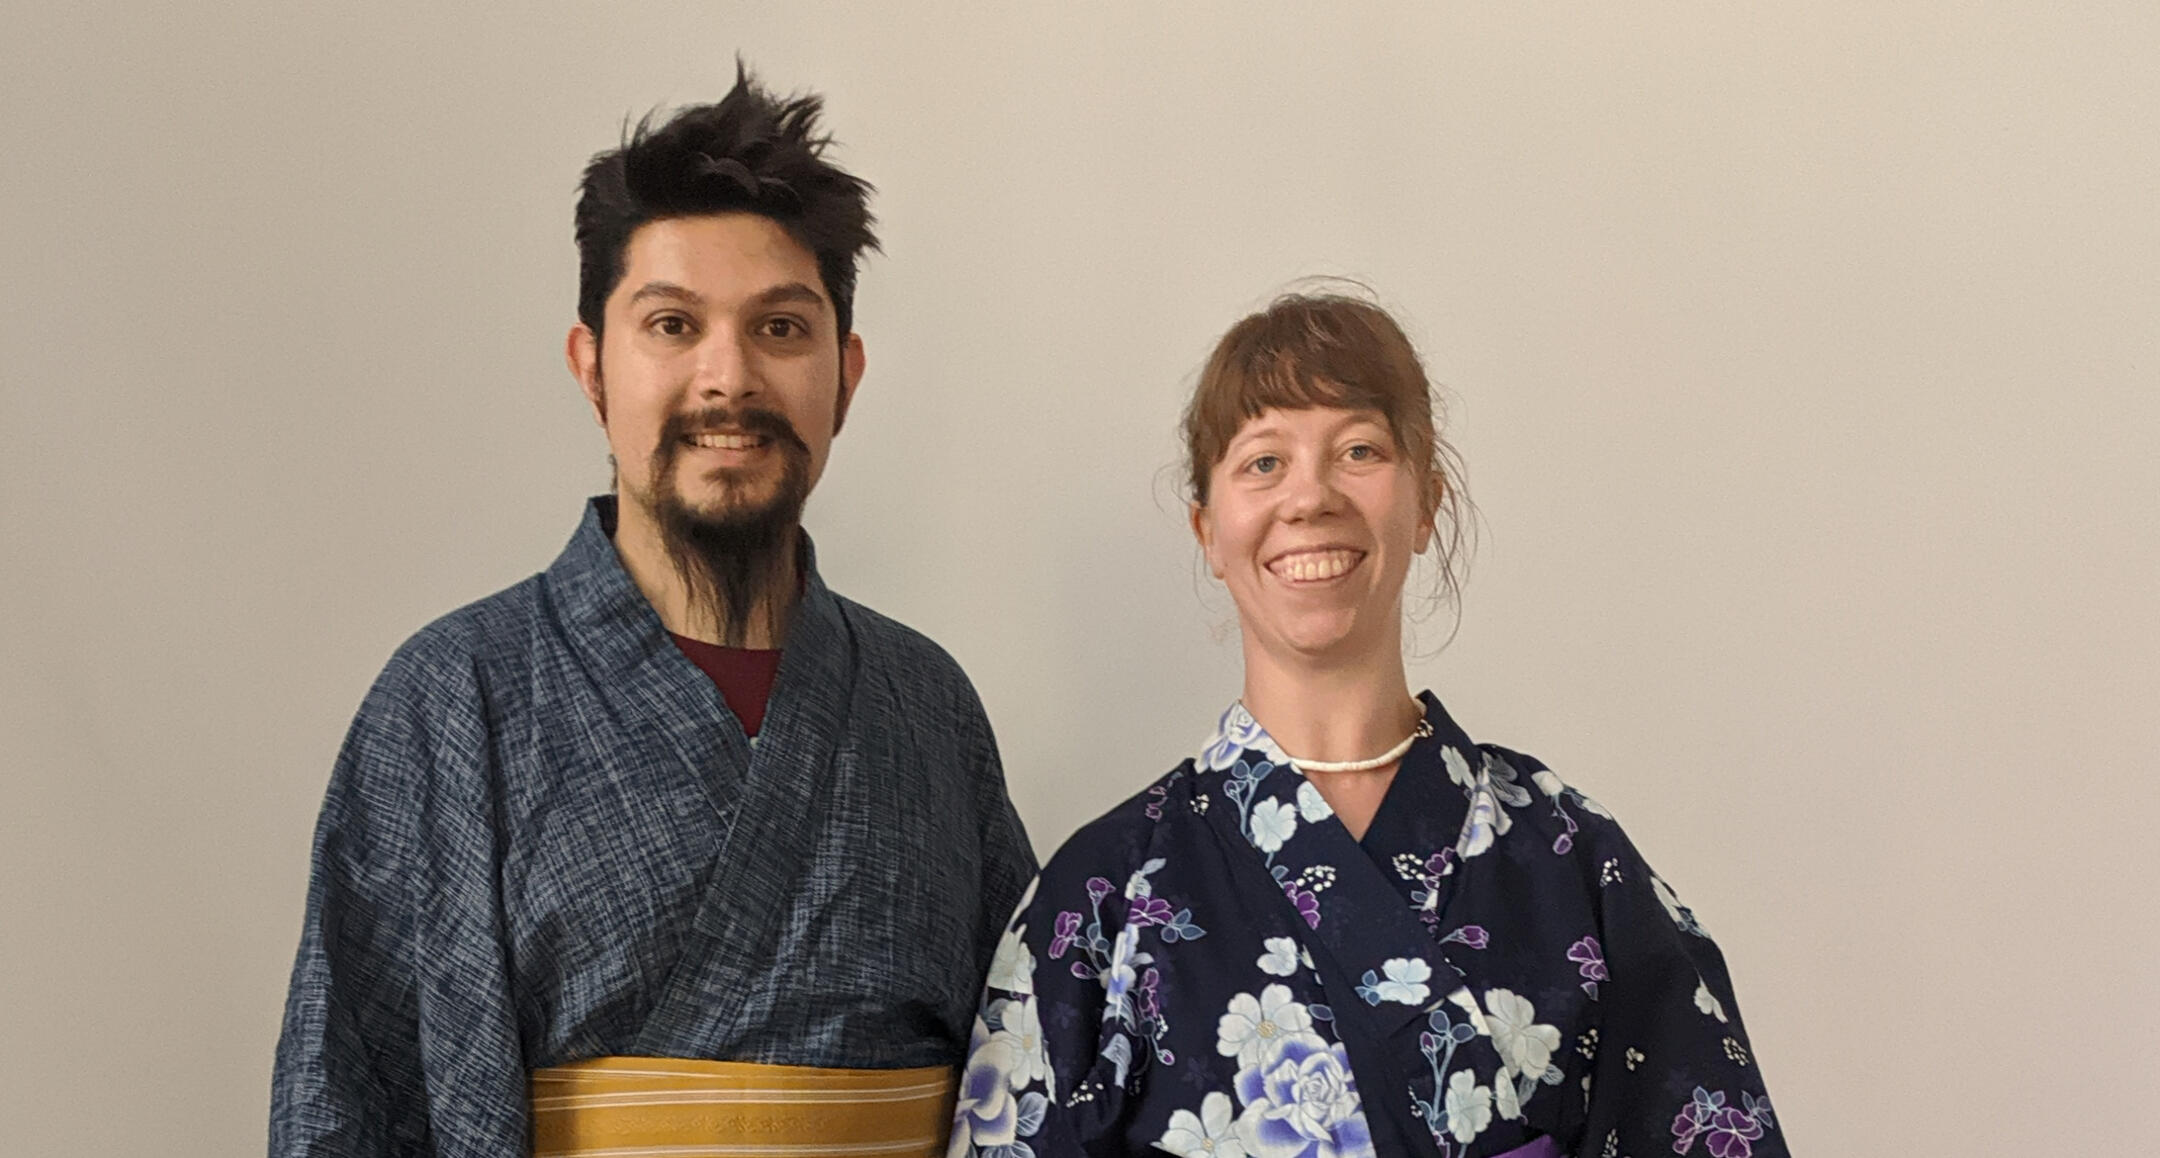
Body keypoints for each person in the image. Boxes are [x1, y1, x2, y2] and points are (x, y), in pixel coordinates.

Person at [271, 66, 1036, 1158]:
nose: (728, 378)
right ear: (591, 366)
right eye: (673, 325)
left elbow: (1032, 1074)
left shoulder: (928, 706)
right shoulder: (451, 701)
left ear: (846, 374)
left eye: (781, 327)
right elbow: (349, 1101)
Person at [949, 293, 1787, 1158]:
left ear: (1425, 503)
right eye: (1263, 461)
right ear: (1209, 531)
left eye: (1358, 451)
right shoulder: (1108, 894)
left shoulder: (1569, 857)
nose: (1310, 496)